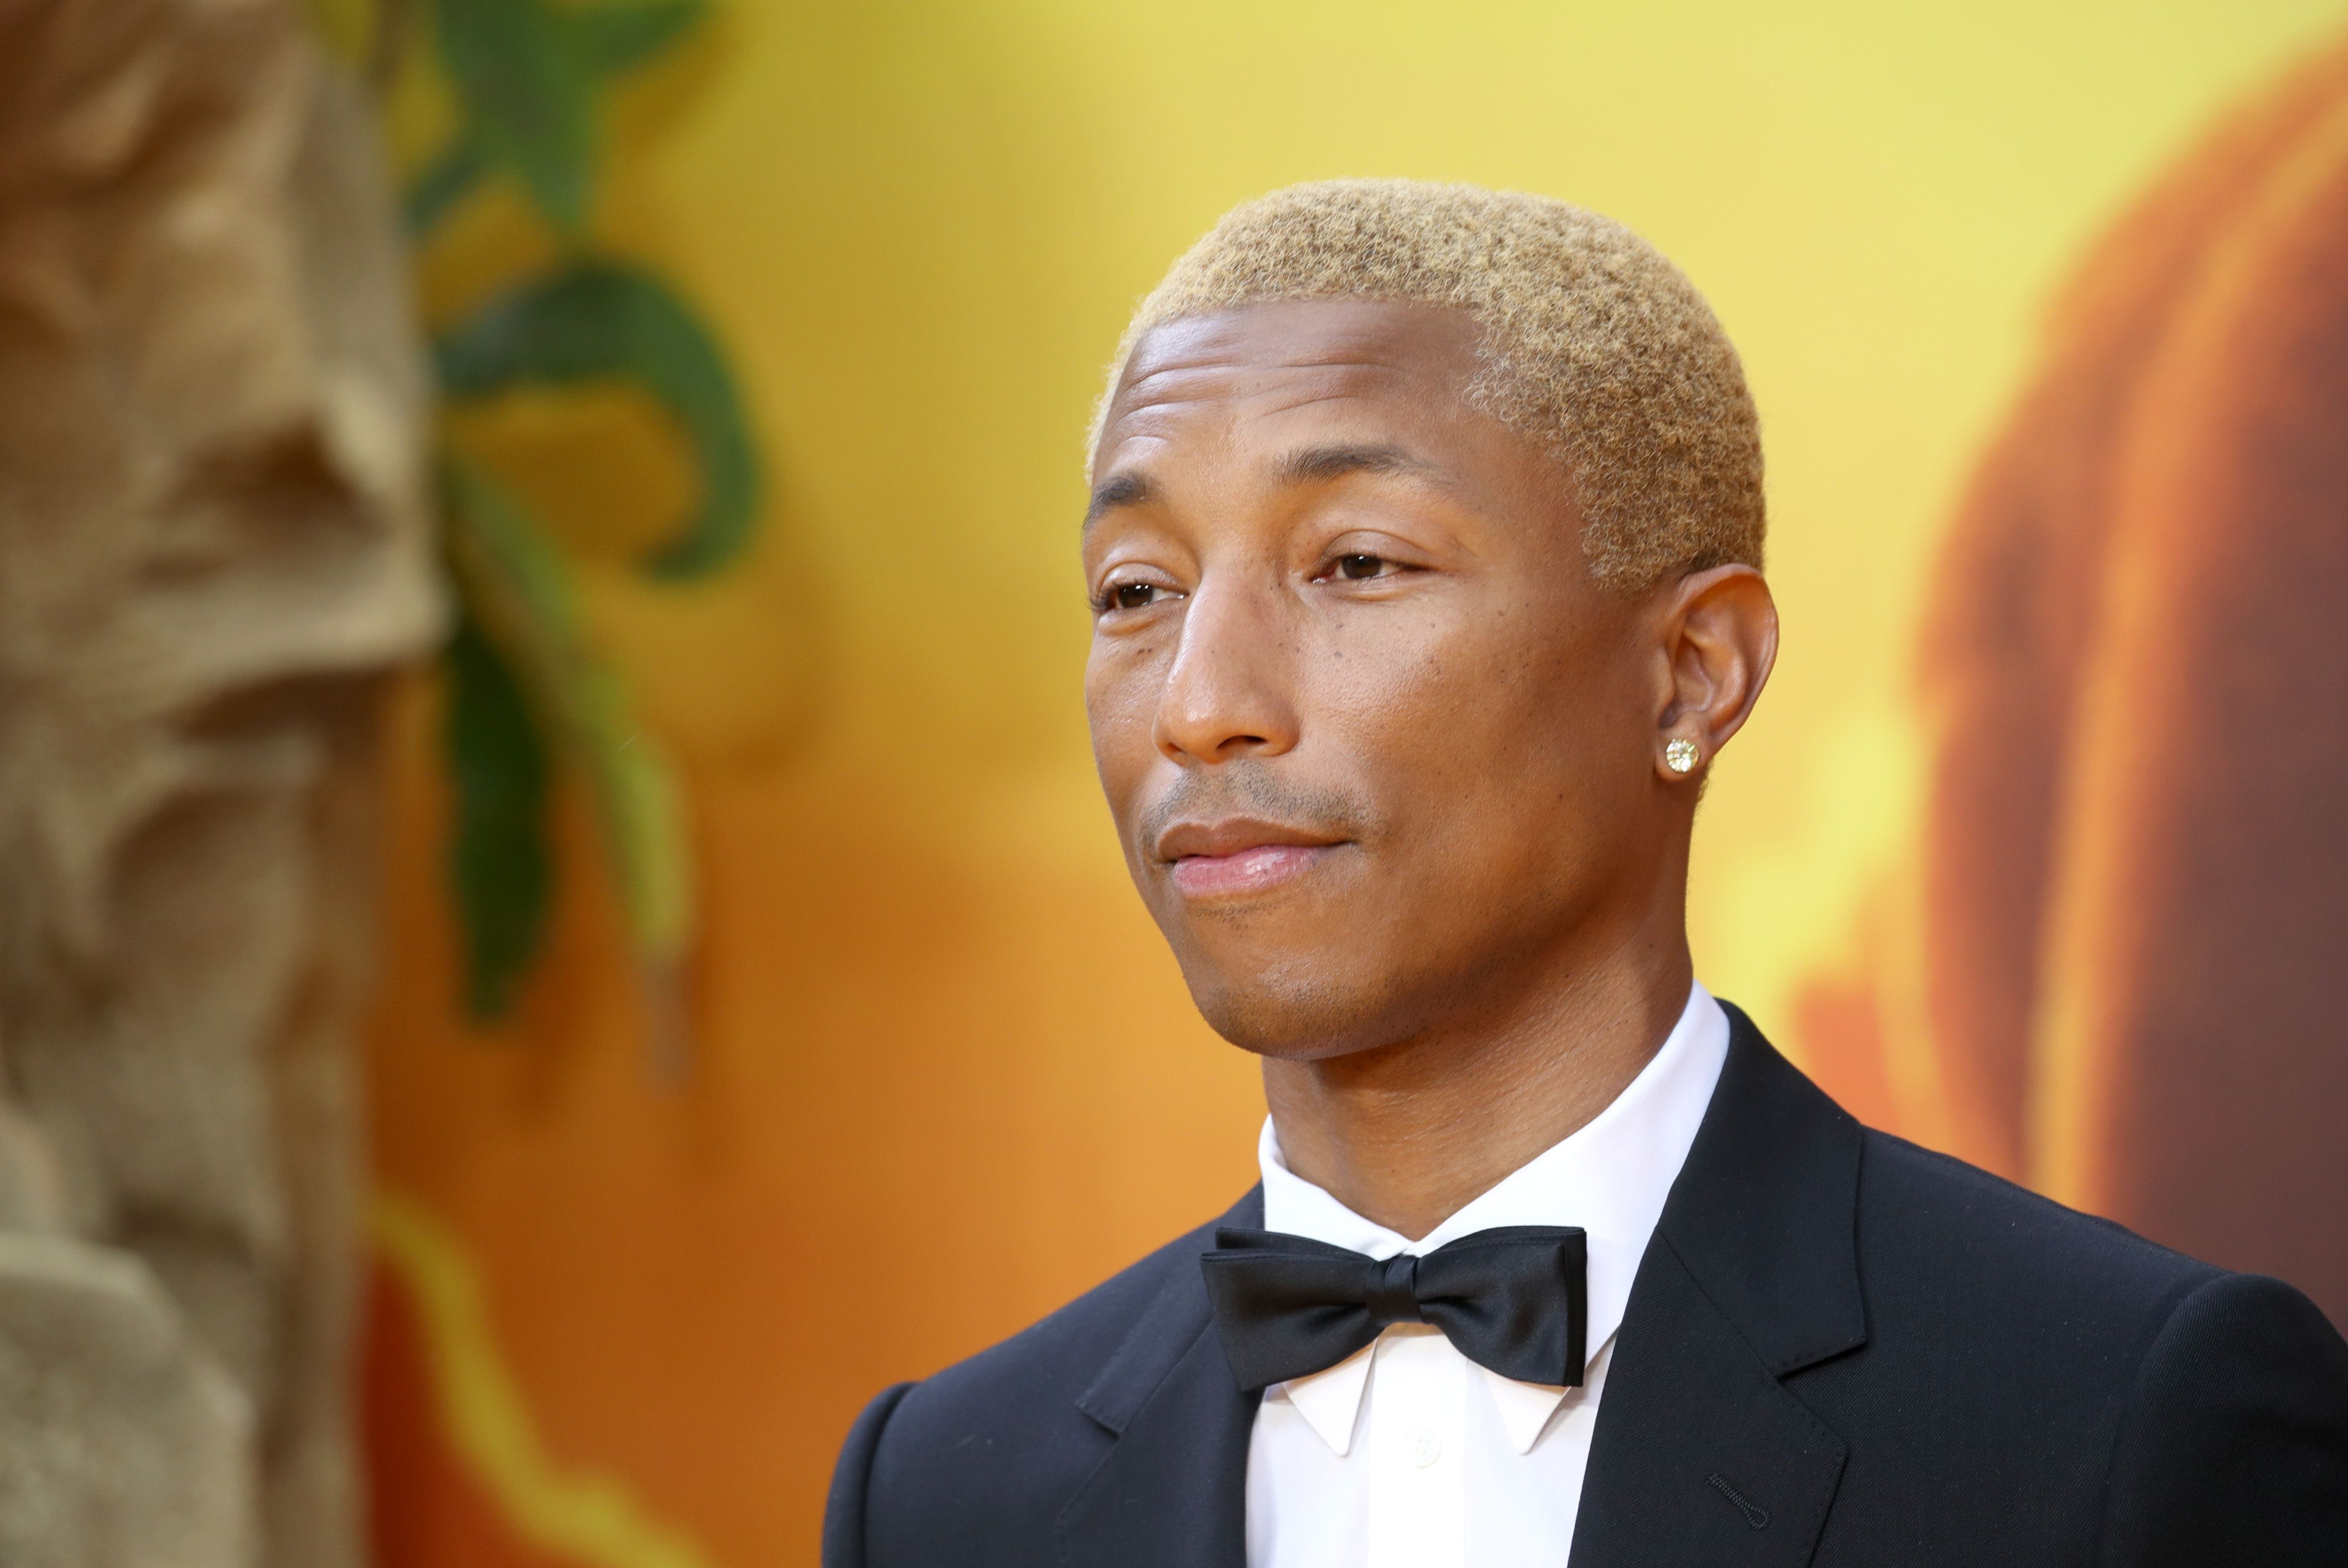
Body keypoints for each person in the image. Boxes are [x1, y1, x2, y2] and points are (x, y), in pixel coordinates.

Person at [821, 180, 2348, 1567]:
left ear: (1693, 672)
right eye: (1136, 591)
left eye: (1356, 564)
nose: (1199, 701)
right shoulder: (940, 1495)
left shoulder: (2121, 1418)